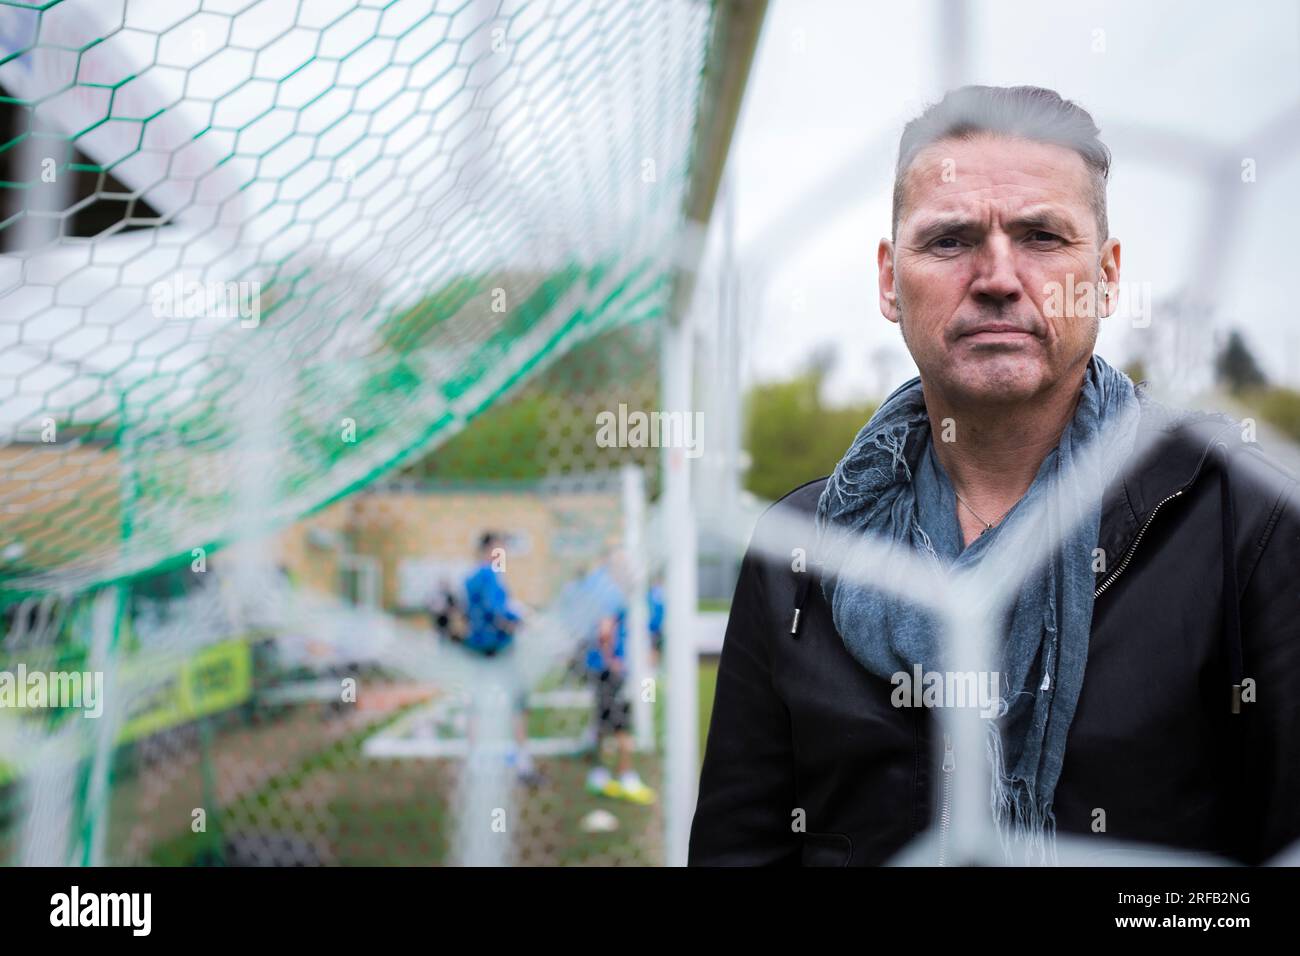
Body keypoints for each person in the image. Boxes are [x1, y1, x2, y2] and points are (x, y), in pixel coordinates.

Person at [689, 85, 1300, 866]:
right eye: (949, 240)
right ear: (888, 280)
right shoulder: (796, 552)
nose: (998, 277)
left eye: (1043, 236)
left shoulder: (1249, 520)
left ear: (1107, 278)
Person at [462, 531, 542, 786]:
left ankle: (477, 759)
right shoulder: (488, 575)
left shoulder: (473, 577)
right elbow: (498, 612)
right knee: (516, 703)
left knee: (479, 703)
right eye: (499, 550)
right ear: (487, 551)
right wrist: (524, 621)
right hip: (497, 649)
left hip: (479, 647)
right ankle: (522, 761)